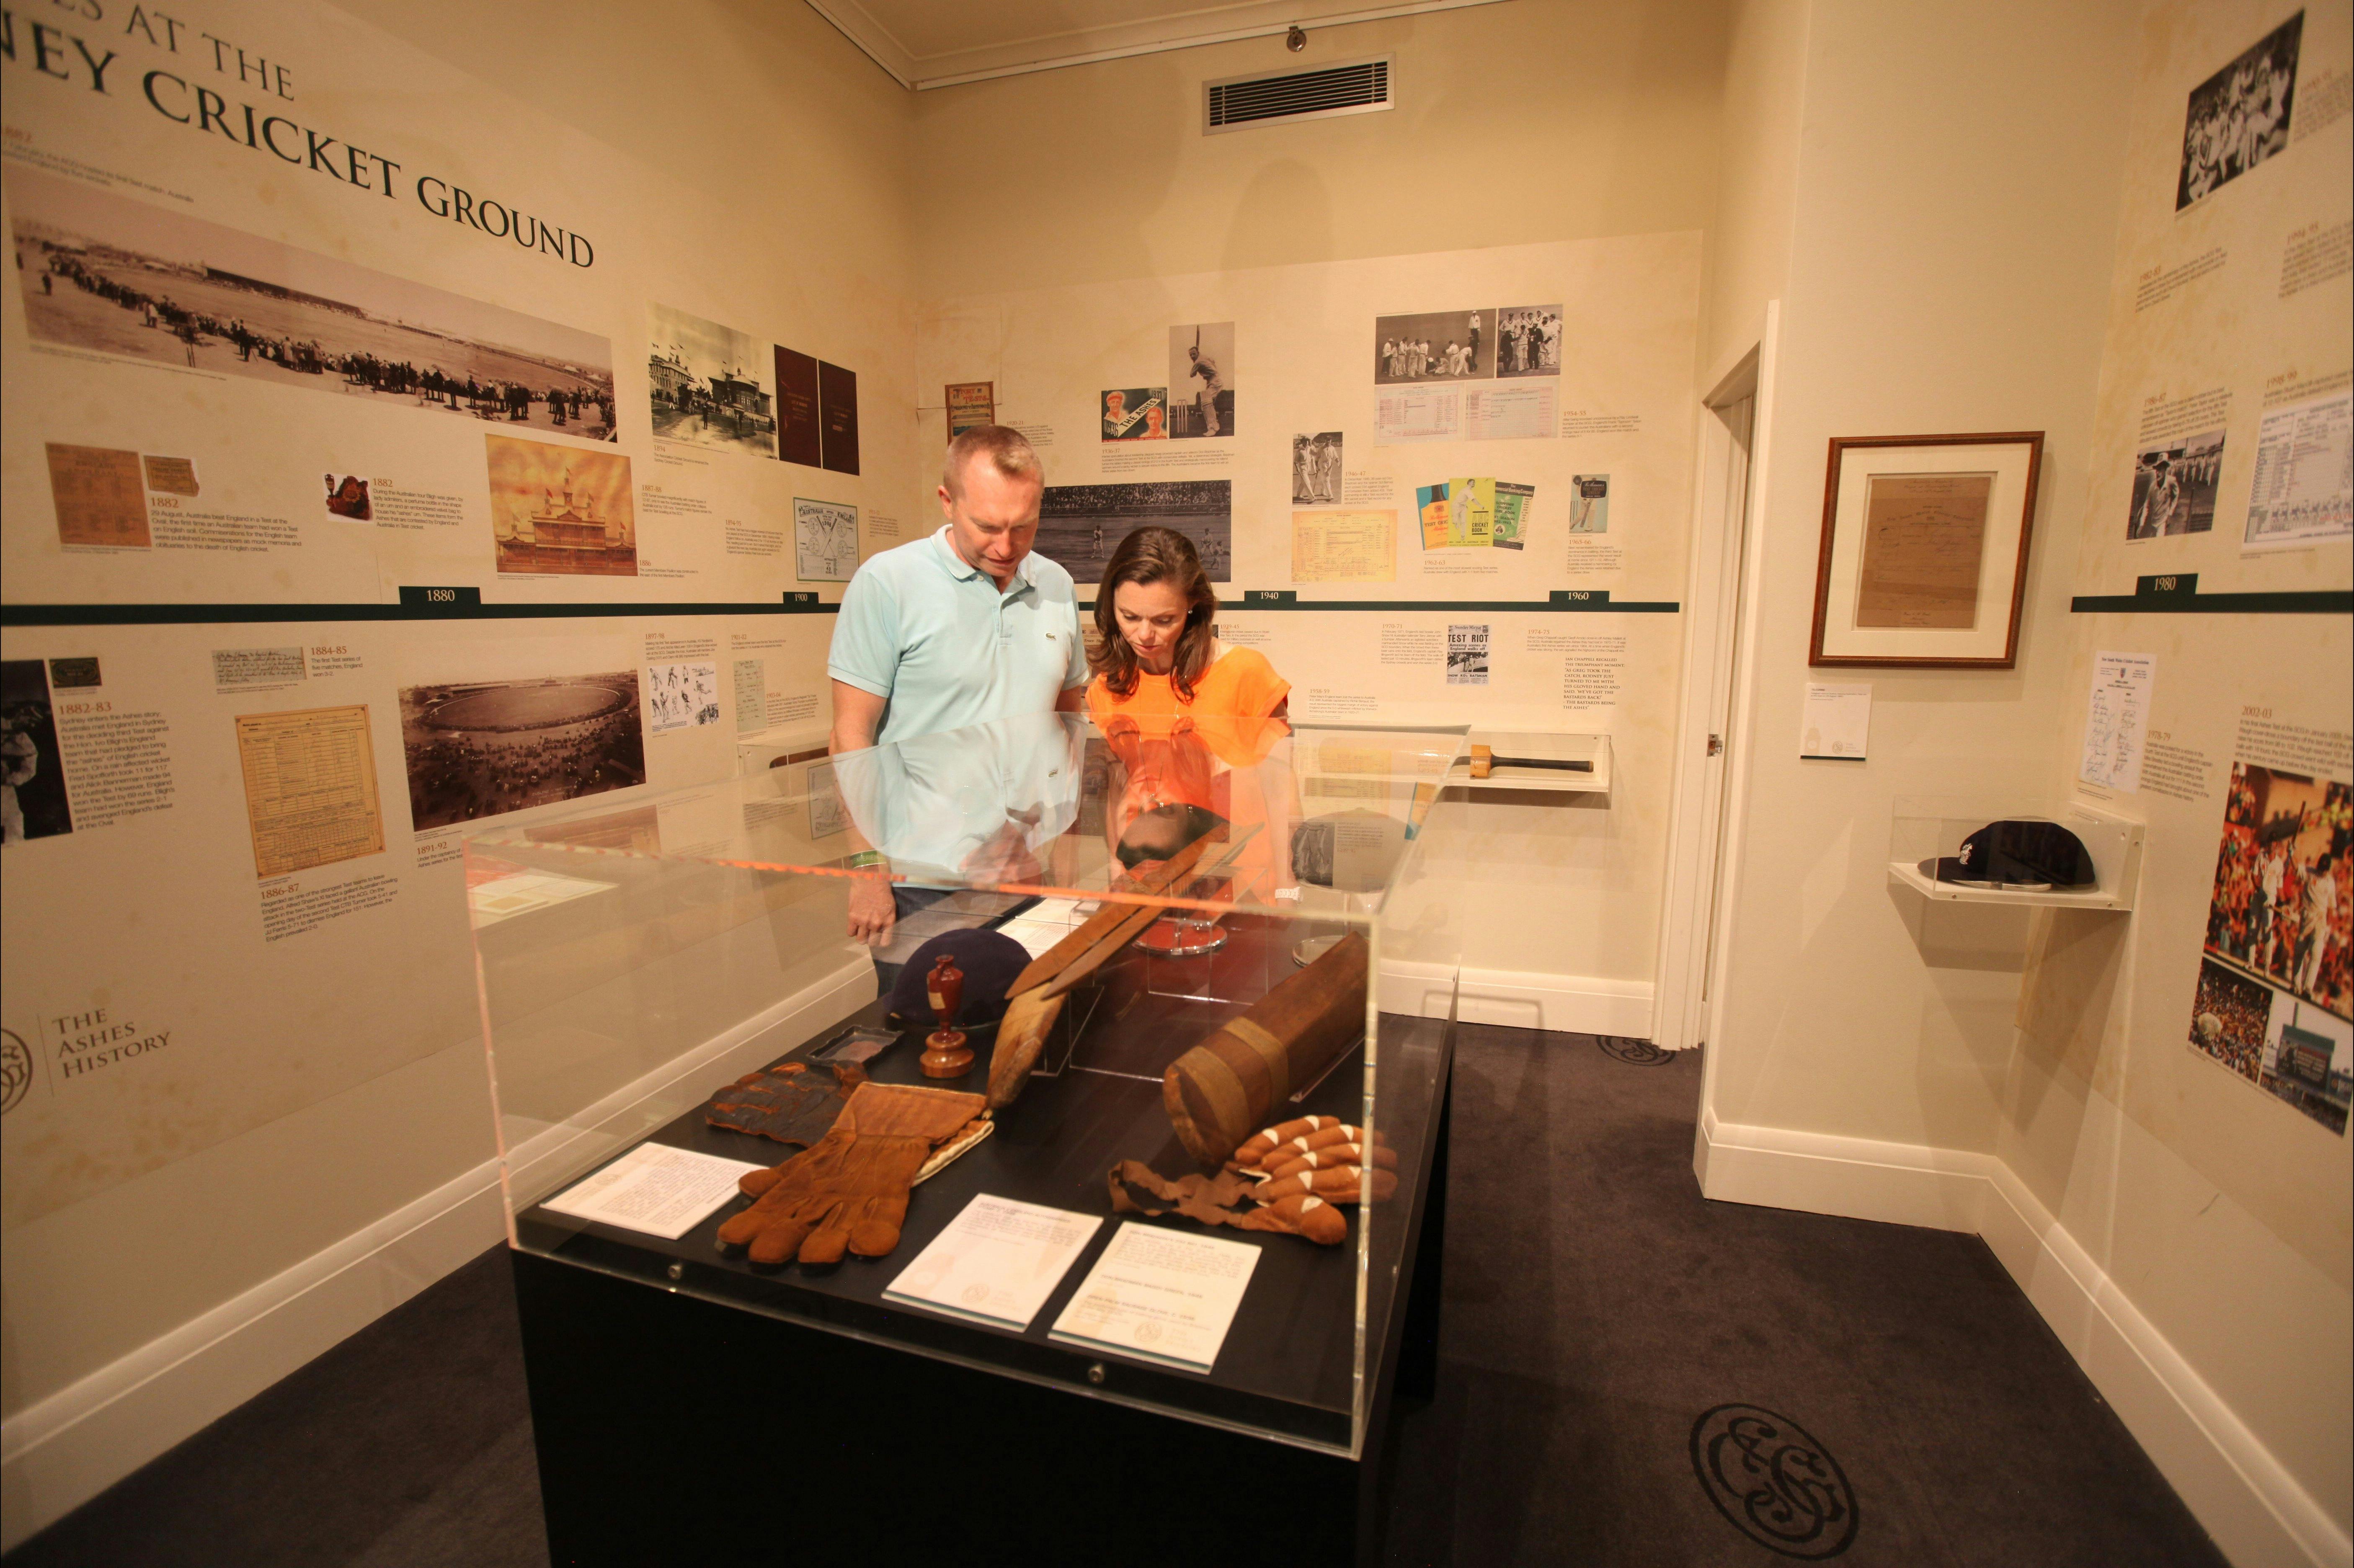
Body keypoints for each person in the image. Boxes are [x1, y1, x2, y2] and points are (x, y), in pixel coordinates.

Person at [827, 424, 1087, 944]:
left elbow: (1067, 724)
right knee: (929, 1021)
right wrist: (866, 870)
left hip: (1024, 867)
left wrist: (1065, 853)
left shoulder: (1056, 584)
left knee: (1026, 1018)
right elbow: (849, 737)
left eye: (1024, 526)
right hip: (922, 876)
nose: (1006, 546)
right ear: (947, 502)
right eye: (987, 526)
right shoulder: (888, 583)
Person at [1086, 526, 1293, 895]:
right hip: (1145, 880)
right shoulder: (1108, 688)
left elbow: (1281, 796)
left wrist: (1288, 890)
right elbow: (1117, 792)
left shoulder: (1247, 673)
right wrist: (1116, 870)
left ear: (1193, 606)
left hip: (1242, 881)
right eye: (1130, 616)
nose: (1145, 635)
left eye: (1164, 620)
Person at [1186, 344, 1223, 436]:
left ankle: (1213, 428)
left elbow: (1192, 375)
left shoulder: (1198, 362)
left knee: (1206, 402)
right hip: (1212, 381)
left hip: (1215, 381)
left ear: (1198, 353)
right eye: (1190, 355)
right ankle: (1214, 423)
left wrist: (1195, 364)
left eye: (1194, 354)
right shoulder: (1204, 357)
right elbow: (1213, 361)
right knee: (1205, 404)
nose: (1192, 357)